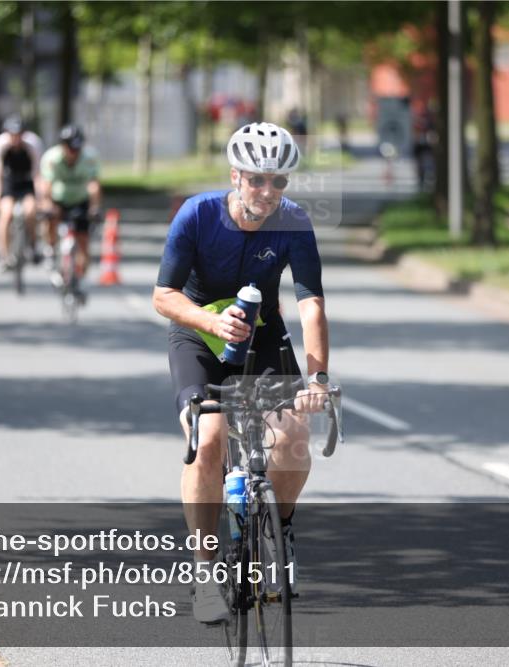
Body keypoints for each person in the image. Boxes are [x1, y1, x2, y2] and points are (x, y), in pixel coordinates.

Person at [152, 122, 330, 623]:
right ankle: (205, 571)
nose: (268, 192)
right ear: (235, 176)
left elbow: (311, 301)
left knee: (293, 437)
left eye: (279, 182)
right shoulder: (198, 214)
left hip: (263, 335)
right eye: (257, 179)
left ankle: (280, 530)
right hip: (199, 333)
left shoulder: (292, 221)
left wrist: (316, 377)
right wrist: (212, 320)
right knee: (208, 438)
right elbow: (162, 296)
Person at [37, 124, 102, 291]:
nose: (74, 153)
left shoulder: (89, 158)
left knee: (83, 241)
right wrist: (47, 205)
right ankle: (50, 250)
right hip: (58, 199)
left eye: (77, 149)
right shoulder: (52, 158)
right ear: (62, 146)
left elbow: (94, 185)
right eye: (70, 149)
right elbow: (46, 185)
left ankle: (79, 279)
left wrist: (94, 208)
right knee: (50, 220)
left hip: (80, 200)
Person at [0, 115, 43, 271]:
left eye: (18, 134)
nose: (15, 139)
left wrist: (39, 198)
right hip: (9, 182)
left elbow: (37, 174)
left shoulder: (33, 144)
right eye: (12, 135)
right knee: (5, 215)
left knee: (30, 211)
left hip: (27, 181)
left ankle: (33, 245)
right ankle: (4, 255)